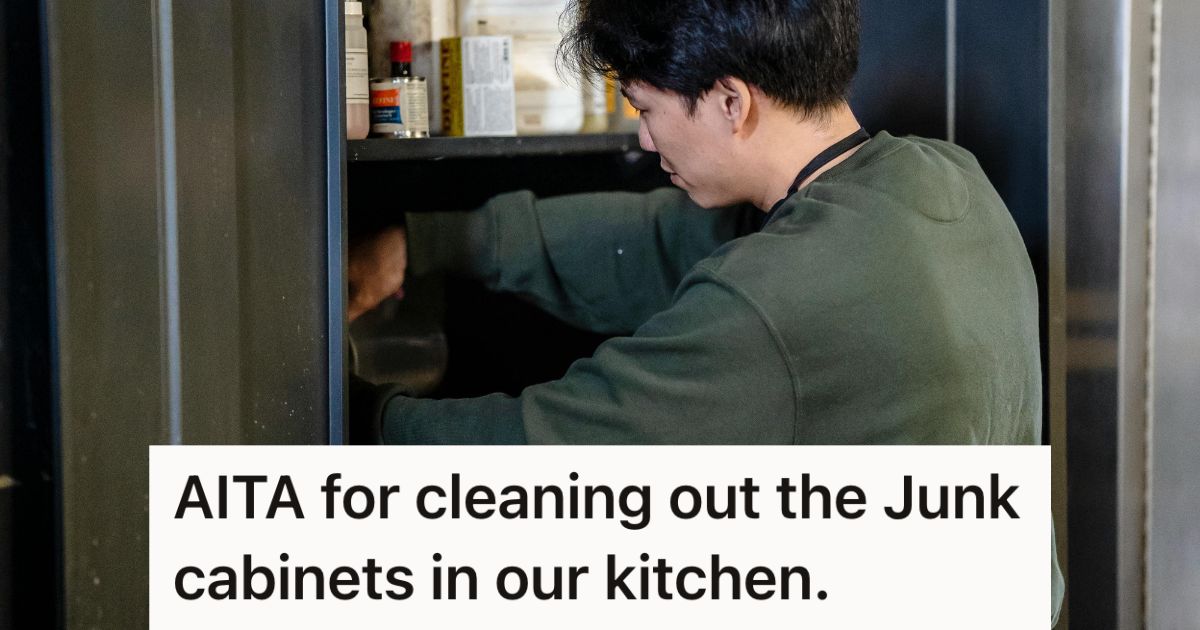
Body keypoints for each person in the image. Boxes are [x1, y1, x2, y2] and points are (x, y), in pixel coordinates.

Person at [349, 0, 1062, 621]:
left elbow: (549, 455)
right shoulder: (940, 179)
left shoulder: (774, 303)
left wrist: (359, 417)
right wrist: (425, 244)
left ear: (731, 102)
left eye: (648, 109)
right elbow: (655, 241)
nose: (645, 141)